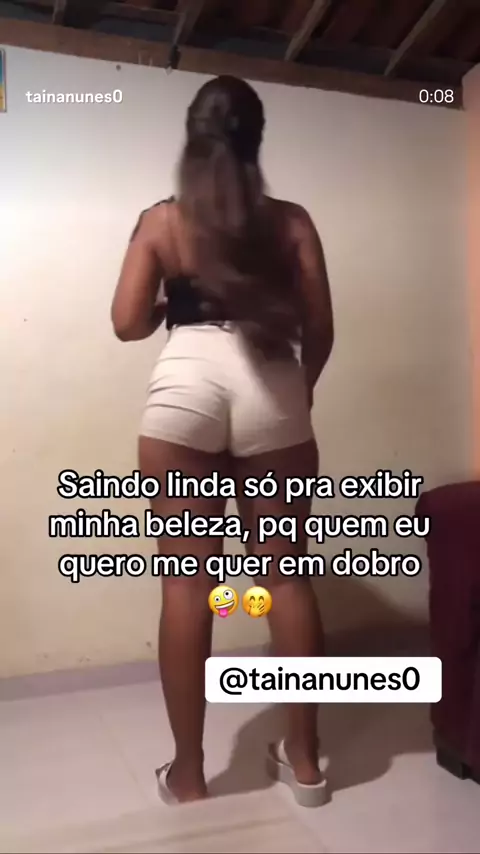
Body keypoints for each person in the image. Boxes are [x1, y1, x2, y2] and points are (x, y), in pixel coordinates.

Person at [111, 75, 334, 808]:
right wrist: (297, 396)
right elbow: (320, 329)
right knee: (286, 578)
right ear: (255, 137)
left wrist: (168, 301)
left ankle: (189, 775)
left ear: (193, 135)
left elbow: (126, 322)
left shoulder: (160, 220)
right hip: (273, 384)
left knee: (187, 583)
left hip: (186, 386)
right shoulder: (292, 221)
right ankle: (306, 764)